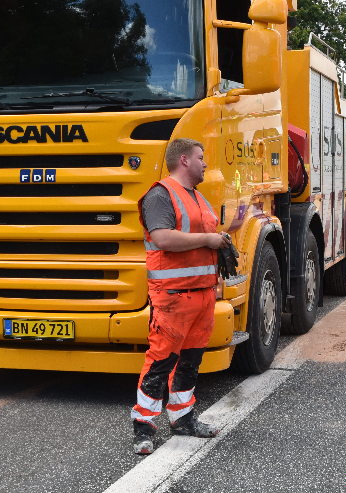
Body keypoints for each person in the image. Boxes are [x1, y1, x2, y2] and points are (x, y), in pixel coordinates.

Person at [131, 138, 231, 455]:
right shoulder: (161, 194)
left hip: (201, 294)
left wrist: (223, 238)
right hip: (173, 297)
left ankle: (183, 418)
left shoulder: (199, 198)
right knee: (161, 362)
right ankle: (143, 428)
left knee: (189, 363)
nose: (205, 163)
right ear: (184, 160)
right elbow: (162, 238)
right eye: (201, 158)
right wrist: (210, 239)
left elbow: (205, 239)